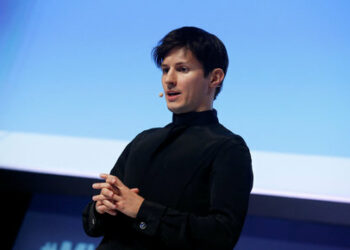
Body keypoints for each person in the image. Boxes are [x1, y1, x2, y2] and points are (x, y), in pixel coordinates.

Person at [82, 26, 253, 250]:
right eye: (165, 70)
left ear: (215, 77)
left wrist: (142, 211)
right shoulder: (143, 140)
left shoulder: (228, 148)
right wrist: (102, 208)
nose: (169, 80)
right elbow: (92, 226)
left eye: (182, 69)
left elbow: (221, 236)